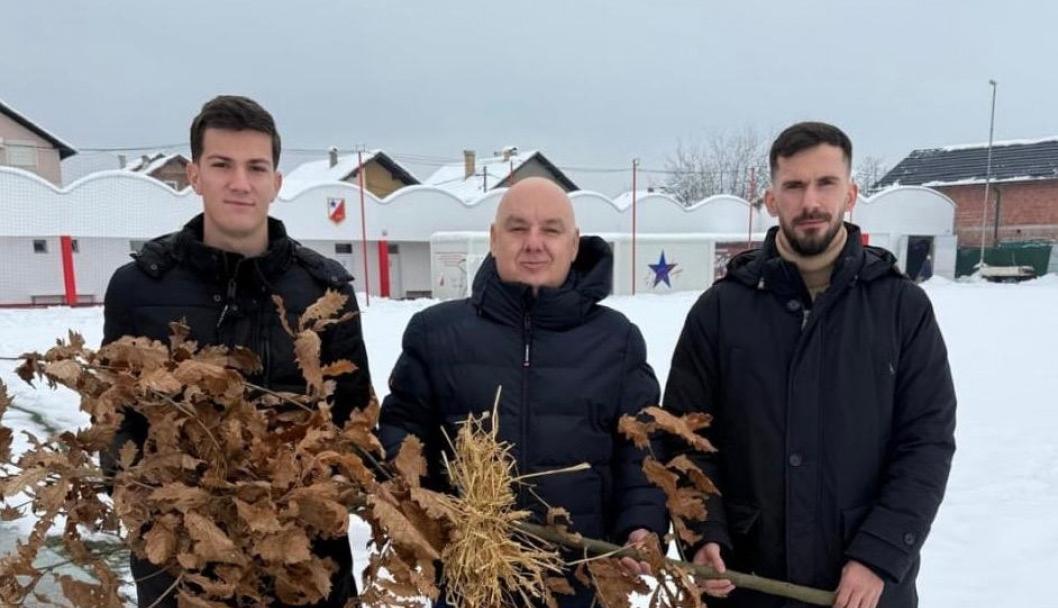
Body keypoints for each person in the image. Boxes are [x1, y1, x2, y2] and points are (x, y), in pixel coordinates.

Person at [663, 122, 956, 608]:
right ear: (771, 200)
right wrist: (703, 536)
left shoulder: (901, 308)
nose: (811, 202)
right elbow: (683, 438)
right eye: (794, 186)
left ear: (851, 194)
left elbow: (926, 443)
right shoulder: (720, 311)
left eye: (826, 184)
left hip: (863, 588)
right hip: (746, 585)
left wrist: (880, 555)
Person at [101, 95, 372, 608]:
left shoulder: (323, 289)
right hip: (183, 572)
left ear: (276, 181)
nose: (240, 183)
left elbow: (355, 418)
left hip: (305, 564)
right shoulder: (140, 287)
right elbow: (115, 415)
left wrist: (316, 493)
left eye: (256, 167)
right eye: (222, 165)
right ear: (194, 175)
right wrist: (155, 498)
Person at [378, 177, 667, 607]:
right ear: (494, 240)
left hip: (579, 583)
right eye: (517, 228)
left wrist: (642, 522)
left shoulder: (616, 340)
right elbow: (402, 431)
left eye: (550, 230)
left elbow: (642, 450)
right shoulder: (436, 334)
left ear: (573, 244)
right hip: (469, 583)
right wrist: (416, 504)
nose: (534, 243)